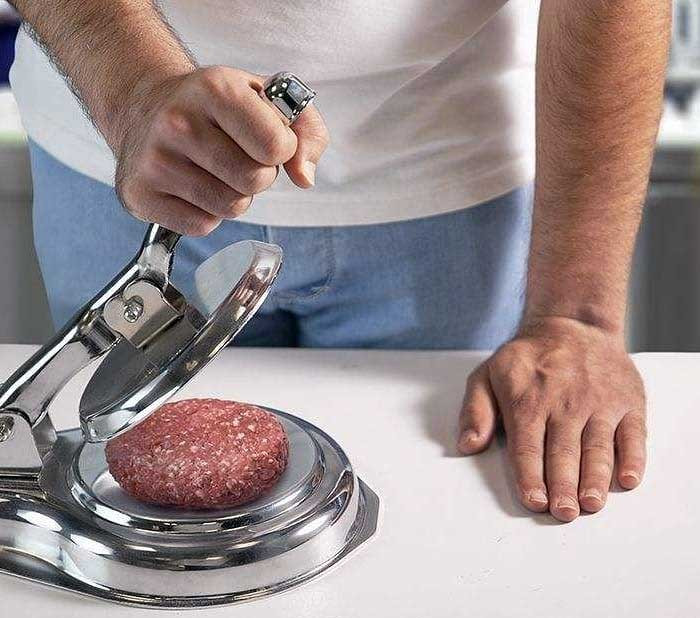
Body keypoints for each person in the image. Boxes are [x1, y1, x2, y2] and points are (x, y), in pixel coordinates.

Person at [7, 1, 670, 522]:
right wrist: (134, 90)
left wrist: (574, 316)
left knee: (446, 520)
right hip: (118, 157)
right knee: (102, 487)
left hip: (451, 200)